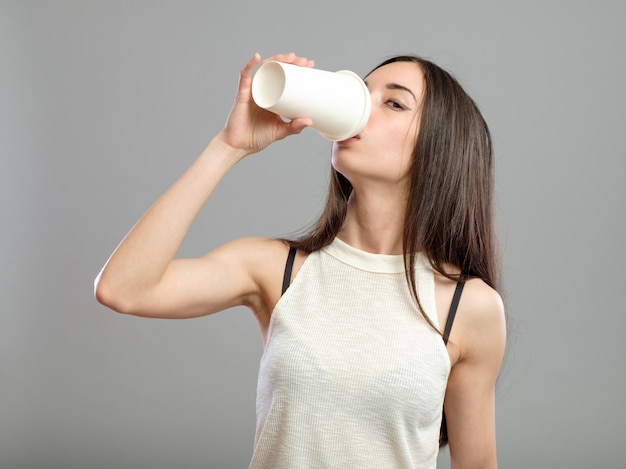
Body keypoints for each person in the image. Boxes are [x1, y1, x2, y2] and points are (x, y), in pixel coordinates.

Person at [95, 52, 507, 468]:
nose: (361, 109)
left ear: (439, 147)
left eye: (394, 103)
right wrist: (228, 146)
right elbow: (123, 289)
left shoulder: (467, 307)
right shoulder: (278, 269)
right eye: (360, 93)